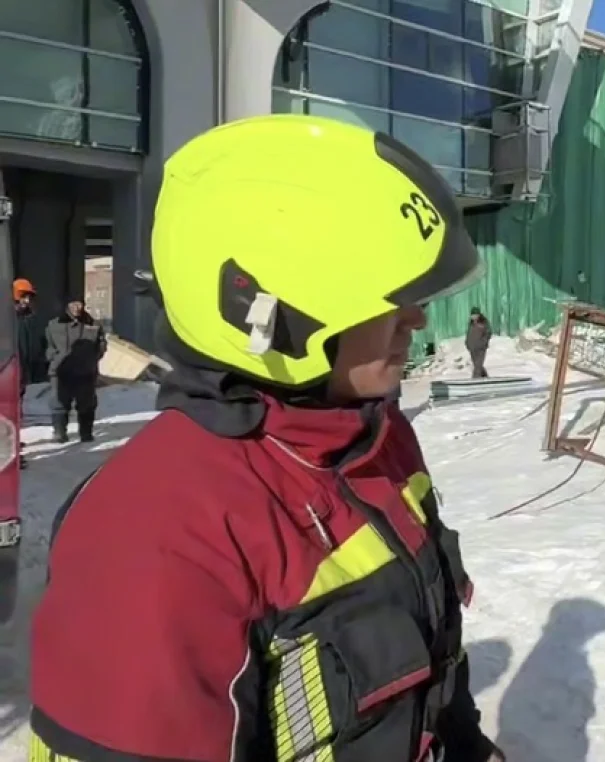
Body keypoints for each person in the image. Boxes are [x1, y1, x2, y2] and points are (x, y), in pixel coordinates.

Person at [29, 115, 501, 762]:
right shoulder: (156, 531)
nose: (416, 317)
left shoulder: (379, 438)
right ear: (273, 314)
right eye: (386, 296)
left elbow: (437, 662)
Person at [44, 298, 106, 443]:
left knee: (87, 404)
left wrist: (90, 360)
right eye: (73, 304)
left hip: (85, 372)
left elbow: (101, 346)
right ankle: (60, 433)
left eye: (80, 304)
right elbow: (48, 346)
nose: (77, 308)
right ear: (67, 306)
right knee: (59, 404)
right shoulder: (54, 325)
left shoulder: (93, 325)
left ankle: (86, 433)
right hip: (60, 372)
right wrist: (54, 358)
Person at [13, 278, 37, 468]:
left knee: (16, 415)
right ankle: (11, 454)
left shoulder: (24, 319)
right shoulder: (8, 319)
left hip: (19, 373)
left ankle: (12, 448)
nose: (26, 301)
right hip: (8, 373)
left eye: (28, 297)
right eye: (23, 296)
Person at [466, 306, 491, 378]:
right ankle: (485, 377)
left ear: (478, 314)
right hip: (472, 348)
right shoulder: (471, 323)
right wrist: (467, 343)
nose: (473, 316)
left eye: (475, 314)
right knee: (478, 365)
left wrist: (484, 342)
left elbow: (488, 333)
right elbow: (468, 334)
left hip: (481, 348)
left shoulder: (483, 322)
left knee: (477, 366)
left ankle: (475, 380)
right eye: (472, 315)